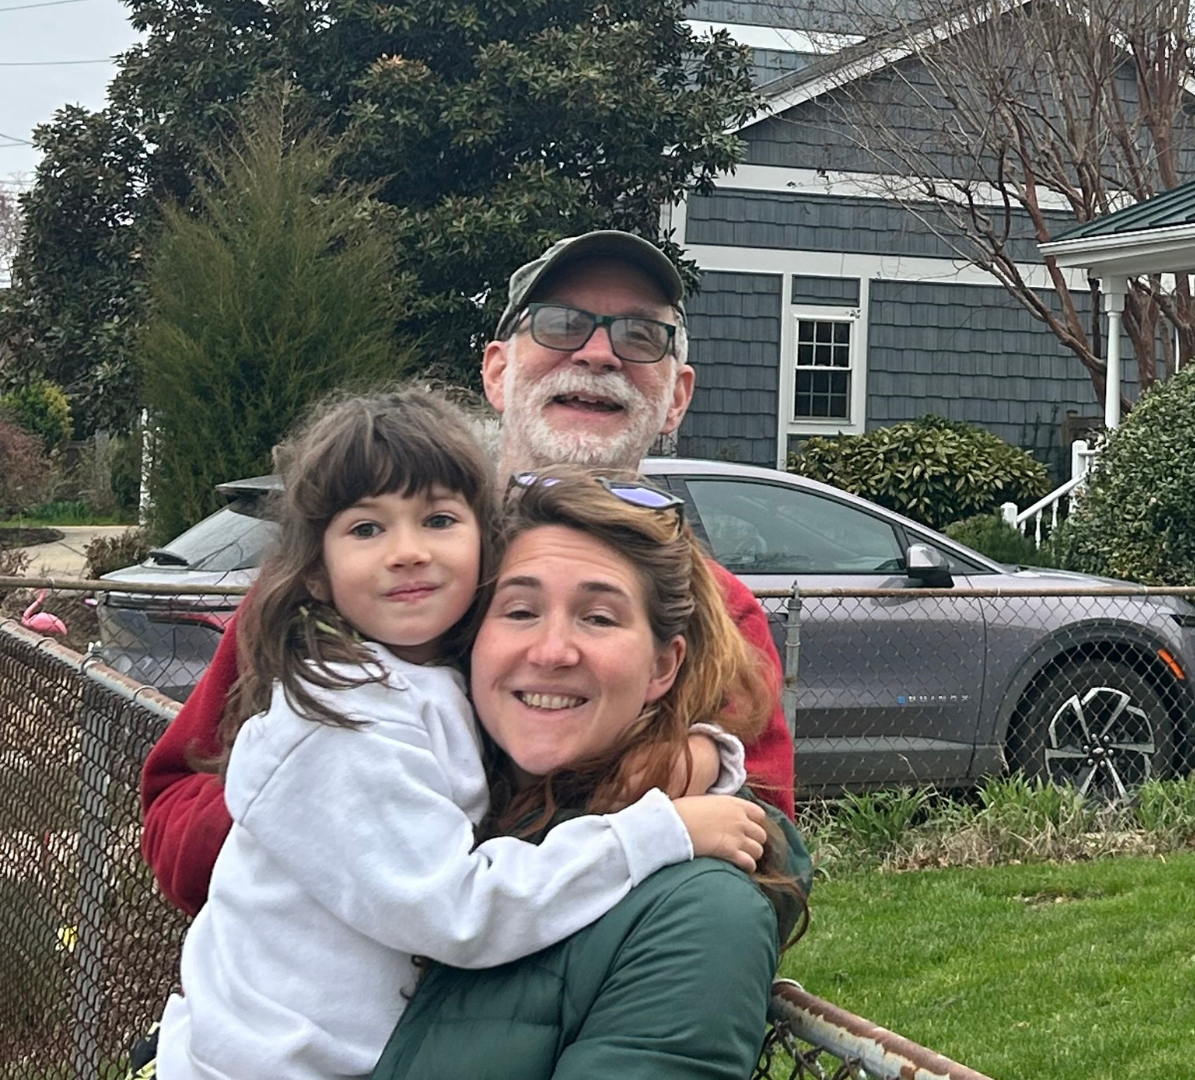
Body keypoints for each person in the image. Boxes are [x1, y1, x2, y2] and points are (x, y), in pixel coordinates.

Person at [140, 231, 798, 915]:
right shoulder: (348, 585)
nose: (599, 353)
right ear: (497, 372)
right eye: (560, 324)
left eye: (641, 336)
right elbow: (173, 812)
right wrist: (327, 802)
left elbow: (765, 866)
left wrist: (668, 771)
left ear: (678, 397)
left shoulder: (717, 610)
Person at [156, 391, 774, 1080]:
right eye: (367, 529)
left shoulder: (426, 680)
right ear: (315, 577)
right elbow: (458, 909)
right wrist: (656, 832)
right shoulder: (342, 719)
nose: (407, 552)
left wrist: (699, 754)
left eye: (439, 519)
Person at [371, 465, 809, 1080]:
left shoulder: (698, 910)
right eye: (519, 611)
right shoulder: (417, 804)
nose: (552, 651)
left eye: (599, 618)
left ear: (662, 667)